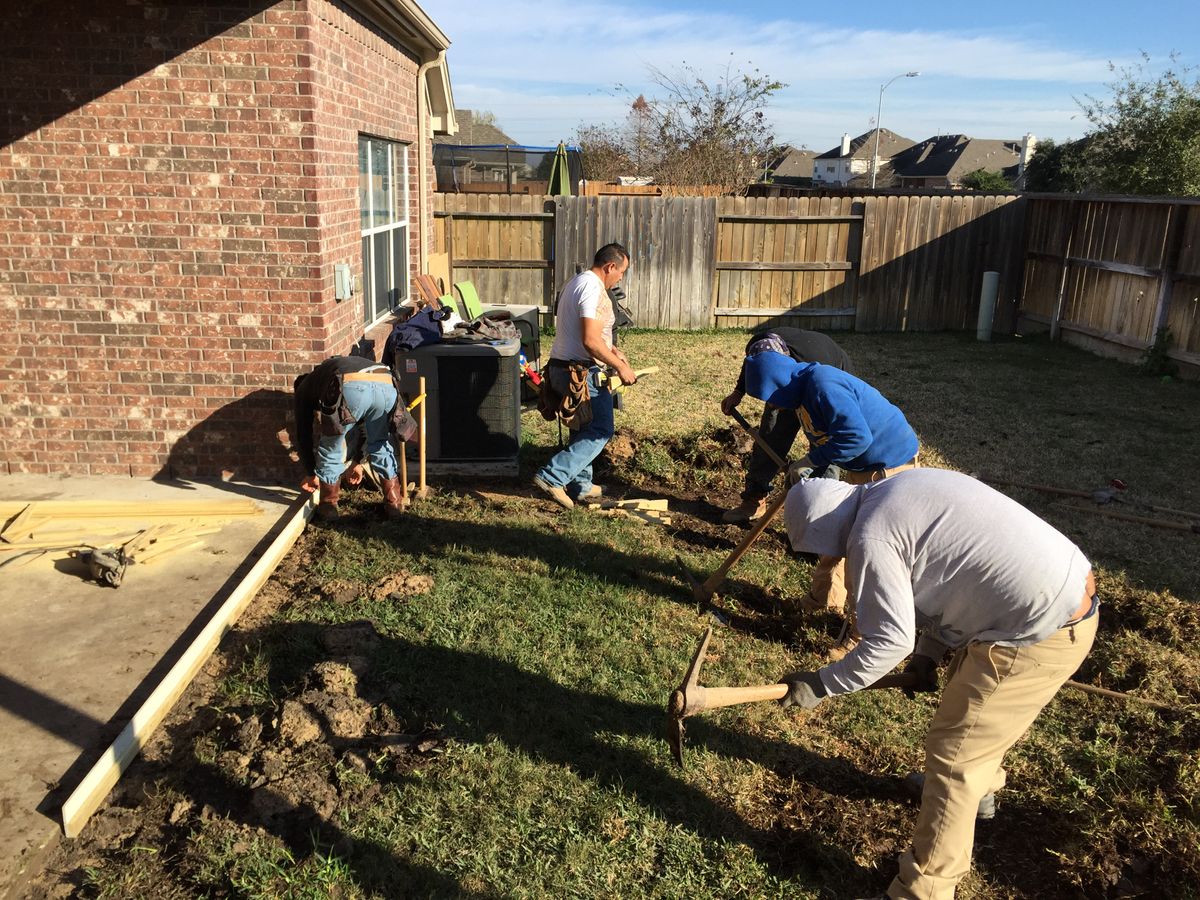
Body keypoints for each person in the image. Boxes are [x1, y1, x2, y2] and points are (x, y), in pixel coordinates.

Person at [777, 470, 1098, 900]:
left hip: (1039, 630)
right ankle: (980, 790)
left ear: (826, 532)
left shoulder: (870, 538)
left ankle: (924, 889)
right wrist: (929, 653)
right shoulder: (897, 489)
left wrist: (823, 683)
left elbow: (890, 642)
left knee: (955, 755)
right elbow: (950, 577)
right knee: (976, 716)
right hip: (1058, 595)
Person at [742, 349, 919, 653]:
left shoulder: (823, 386)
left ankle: (861, 638)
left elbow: (856, 438)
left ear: (780, 384)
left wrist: (809, 461)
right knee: (835, 533)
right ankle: (822, 600)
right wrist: (809, 467)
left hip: (889, 468)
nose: (772, 405)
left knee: (866, 553)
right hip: (863, 467)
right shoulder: (802, 395)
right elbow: (827, 439)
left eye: (771, 397)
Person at [532, 243, 637, 510]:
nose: (621, 278)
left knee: (583, 426)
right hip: (580, 371)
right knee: (600, 429)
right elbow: (590, 341)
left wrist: (613, 350)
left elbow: (587, 332)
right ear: (610, 266)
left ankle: (581, 485)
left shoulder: (577, 282)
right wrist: (620, 367)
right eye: (622, 272)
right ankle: (552, 476)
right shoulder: (592, 287)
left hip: (562, 366)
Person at [720, 328, 853, 525]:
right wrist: (738, 392)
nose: (772, 403)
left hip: (829, 381)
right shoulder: (760, 344)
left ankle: (821, 517)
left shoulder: (821, 375)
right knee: (770, 436)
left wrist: (808, 463)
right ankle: (754, 499)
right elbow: (752, 365)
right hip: (788, 376)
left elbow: (836, 439)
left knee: (824, 446)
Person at [294, 355, 406, 520]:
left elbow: (303, 434)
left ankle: (328, 508)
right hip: (386, 383)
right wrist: (357, 462)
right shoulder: (325, 374)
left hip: (351, 385)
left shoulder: (304, 389)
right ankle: (394, 504)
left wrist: (311, 474)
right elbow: (363, 425)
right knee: (379, 443)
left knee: (331, 447)